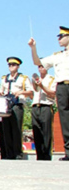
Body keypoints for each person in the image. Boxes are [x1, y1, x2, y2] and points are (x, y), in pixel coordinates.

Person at [29, 27, 69, 160]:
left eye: (62, 36)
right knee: (65, 119)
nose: (59, 39)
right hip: (62, 87)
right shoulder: (57, 56)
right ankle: (68, 152)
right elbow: (37, 62)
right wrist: (33, 48)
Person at [0, 57, 32, 160]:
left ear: (18, 66)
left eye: (13, 65)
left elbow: (30, 92)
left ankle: (18, 153)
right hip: (6, 105)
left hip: (17, 105)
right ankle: (9, 153)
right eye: (9, 65)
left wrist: (21, 92)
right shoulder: (4, 78)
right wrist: (0, 93)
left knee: (16, 129)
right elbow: (1, 91)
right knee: (6, 130)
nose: (11, 67)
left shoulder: (23, 78)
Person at [30, 64, 55, 161]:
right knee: (36, 132)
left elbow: (53, 93)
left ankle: (47, 155)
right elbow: (32, 93)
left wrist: (42, 86)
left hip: (46, 105)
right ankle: (39, 155)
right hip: (35, 106)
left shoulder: (51, 79)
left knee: (46, 132)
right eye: (39, 67)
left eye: (43, 66)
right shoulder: (35, 79)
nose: (41, 69)